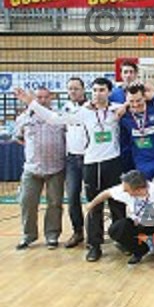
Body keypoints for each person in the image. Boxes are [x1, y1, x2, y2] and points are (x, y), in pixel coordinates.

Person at [16, 78, 127, 262]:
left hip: (113, 163)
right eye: (95, 90)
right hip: (91, 164)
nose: (98, 93)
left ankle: (122, 240)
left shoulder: (117, 109)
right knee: (94, 206)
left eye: (102, 90)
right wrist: (31, 103)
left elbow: (140, 100)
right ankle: (94, 245)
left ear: (109, 92)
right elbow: (53, 118)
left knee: (118, 203)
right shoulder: (83, 112)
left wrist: (127, 104)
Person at [85, 170, 154, 264]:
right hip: (138, 223)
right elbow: (106, 193)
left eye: (127, 190)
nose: (124, 191)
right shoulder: (123, 191)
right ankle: (140, 250)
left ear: (138, 189)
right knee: (116, 229)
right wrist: (91, 205)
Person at [13, 87, 66, 250]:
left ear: (51, 98)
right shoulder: (23, 118)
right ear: (33, 99)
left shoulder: (58, 117)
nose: (42, 100)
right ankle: (28, 235)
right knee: (27, 201)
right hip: (32, 168)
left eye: (45, 97)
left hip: (56, 167)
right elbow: (19, 138)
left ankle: (52, 235)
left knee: (55, 203)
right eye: (39, 97)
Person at [119, 83, 154, 178]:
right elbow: (125, 146)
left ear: (145, 97)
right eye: (131, 101)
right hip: (141, 166)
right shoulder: (125, 117)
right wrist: (127, 169)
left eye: (138, 100)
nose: (135, 105)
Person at [62, 77, 88, 248]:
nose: (73, 91)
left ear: (83, 89)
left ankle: (95, 235)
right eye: (70, 89)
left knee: (94, 197)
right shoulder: (65, 108)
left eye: (76, 88)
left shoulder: (91, 107)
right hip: (72, 159)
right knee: (72, 197)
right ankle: (78, 231)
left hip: (90, 158)